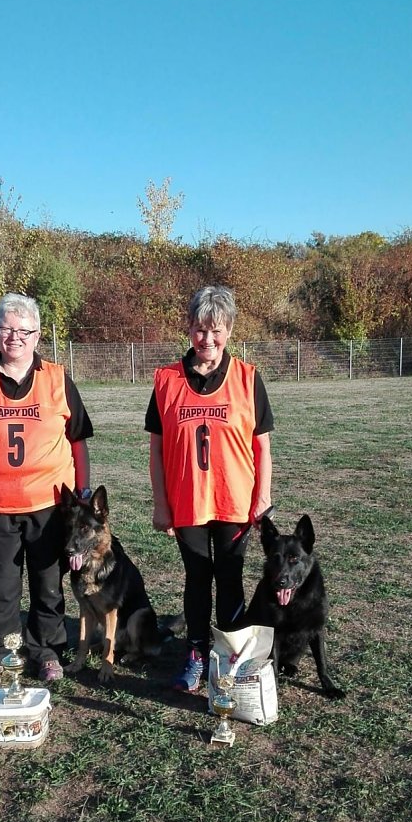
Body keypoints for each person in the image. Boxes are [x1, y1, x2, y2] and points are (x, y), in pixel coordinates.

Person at [0, 293, 93, 688]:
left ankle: (46, 651)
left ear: (38, 335)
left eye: (23, 330)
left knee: (48, 585)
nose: (15, 337)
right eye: (6, 329)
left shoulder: (58, 378)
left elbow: (78, 442)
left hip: (49, 508)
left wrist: (82, 496)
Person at [145, 285, 274, 693]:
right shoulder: (166, 380)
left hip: (235, 500)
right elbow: (157, 448)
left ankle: (229, 655)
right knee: (197, 578)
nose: (208, 340)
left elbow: (262, 445)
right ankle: (197, 653)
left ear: (230, 331)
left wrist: (263, 497)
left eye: (216, 330)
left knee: (231, 579)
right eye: (201, 330)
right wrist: (161, 503)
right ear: (189, 329)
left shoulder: (248, 378)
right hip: (188, 502)